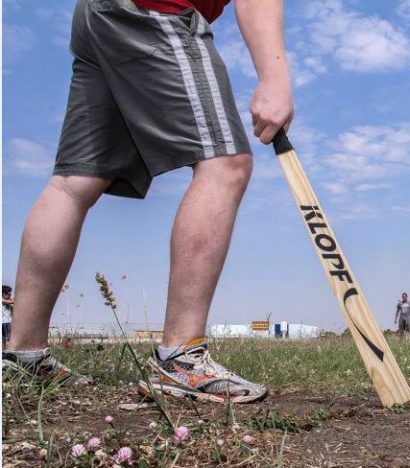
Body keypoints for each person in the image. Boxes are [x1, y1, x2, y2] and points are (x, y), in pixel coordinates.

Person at [2, 0, 293, 404]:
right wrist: (274, 76)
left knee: (73, 182)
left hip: (97, 16)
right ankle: (180, 359)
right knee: (226, 163)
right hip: (155, 7)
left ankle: (24, 354)